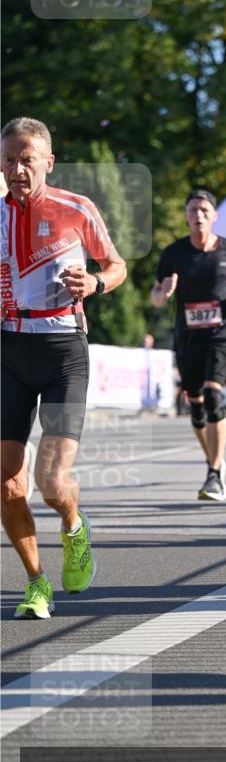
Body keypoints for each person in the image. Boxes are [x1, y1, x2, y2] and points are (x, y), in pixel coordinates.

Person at [1, 117, 127, 619]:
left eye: (26, 160)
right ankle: (37, 583)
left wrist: (95, 284)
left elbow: (116, 266)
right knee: (8, 484)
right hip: (8, 348)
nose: (16, 170)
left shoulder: (77, 208)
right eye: (8, 161)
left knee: (52, 482)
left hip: (62, 350)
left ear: (47, 162)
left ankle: (73, 525)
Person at [151, 189, 226, 501]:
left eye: (204, 210)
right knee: (196, 409)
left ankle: (215, 474)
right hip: (187, 337)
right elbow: (157, 299)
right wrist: (164, 291)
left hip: (221, 335)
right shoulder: (174, 254)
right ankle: (214, 460)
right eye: (193, 210)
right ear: (186, 216)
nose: (198, 215)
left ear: (214, 216)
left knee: (213, 394)